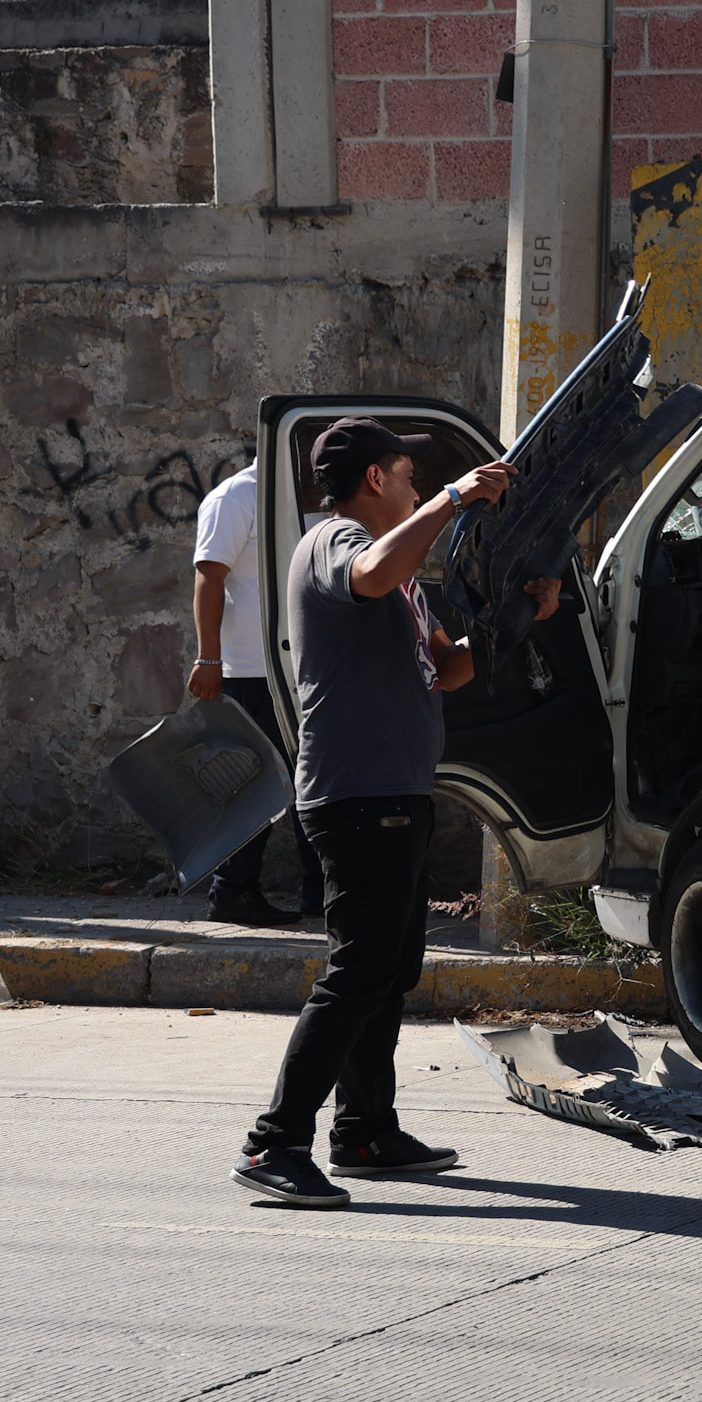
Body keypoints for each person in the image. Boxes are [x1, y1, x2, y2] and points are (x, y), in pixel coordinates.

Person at [231, 417, 560, 1209]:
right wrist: (453, 497)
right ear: (377, 480)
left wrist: (520, 617)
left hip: (395, 791)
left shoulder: (403, 576)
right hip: (356, 793)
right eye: (409, 475)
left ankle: (366, 1131)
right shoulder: (334, 544)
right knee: (358, 972)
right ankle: (273, 1142)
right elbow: (375, 570)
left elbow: (448, 670)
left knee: (387, 974)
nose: (418, 486)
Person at [186, 459, 303, 926]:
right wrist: (208, 658)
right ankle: (232, 893)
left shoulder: (312, 497)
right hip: (253, 670)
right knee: (253, 787)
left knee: (310, 785)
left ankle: (320, 893)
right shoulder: (236, 496)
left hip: (302, 668)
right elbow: (209, 577)